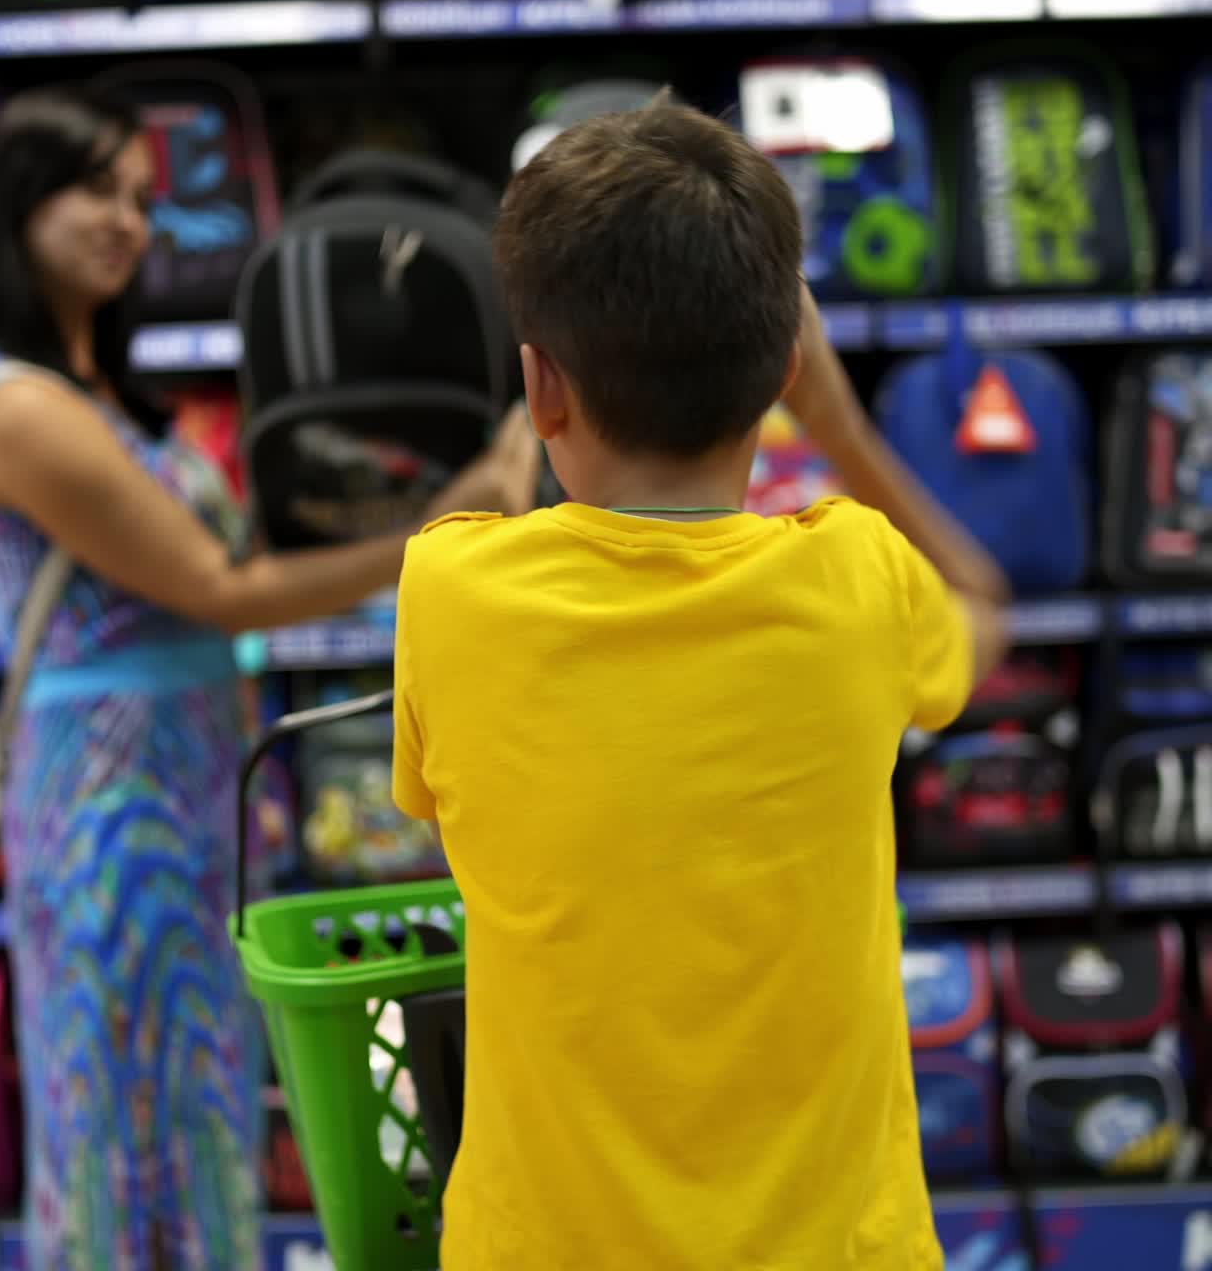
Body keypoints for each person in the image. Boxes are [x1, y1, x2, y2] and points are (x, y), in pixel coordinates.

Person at [391, 97, 1011, 1270]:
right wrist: (828, 415)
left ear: (542, 386)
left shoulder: (451, 586)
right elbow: (984, 602)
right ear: (780, 365)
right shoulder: (856, 576)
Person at [0, 88, 537, 1271]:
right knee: (117, 1103)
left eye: (143, 199)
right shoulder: (11, 408)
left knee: (194, 1087)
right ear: (15, 207)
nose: (128, 220)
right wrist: (451, 512)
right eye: (95, 189)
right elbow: (226, 589)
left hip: (184, 787)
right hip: (107, 803)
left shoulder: (101, 396)